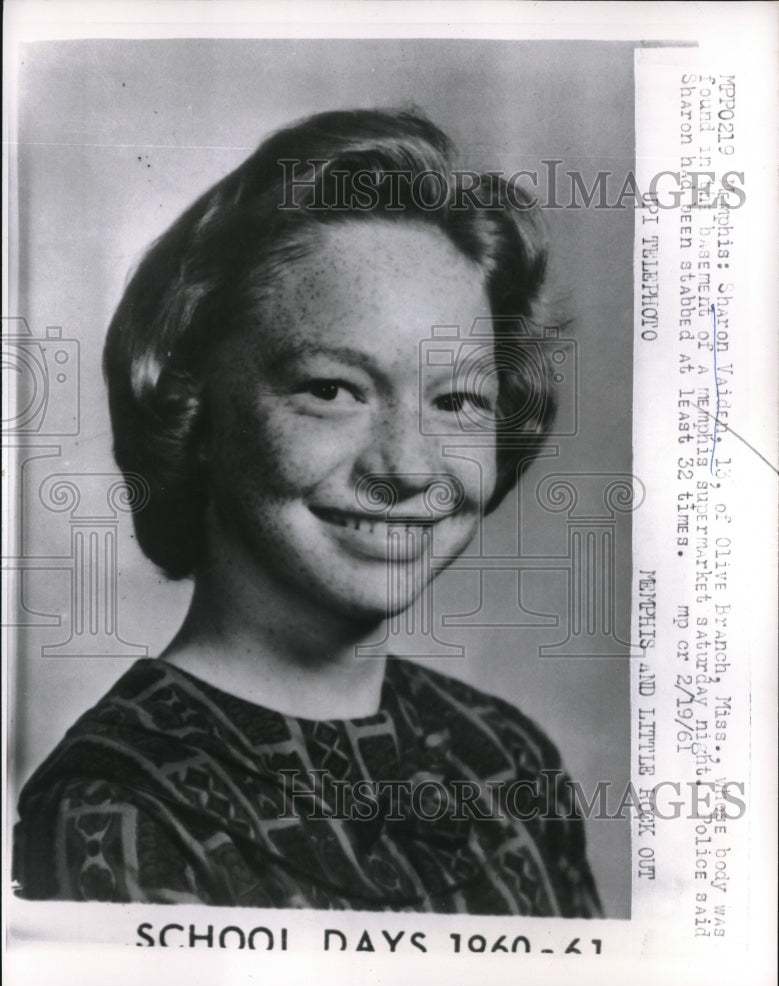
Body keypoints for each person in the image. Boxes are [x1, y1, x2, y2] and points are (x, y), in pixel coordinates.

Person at [14, 108, 601, 916]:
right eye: (332, 390)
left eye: (458, 399)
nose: (405, 464)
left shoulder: (506, 760)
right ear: (195, 408)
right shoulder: (117, 811)